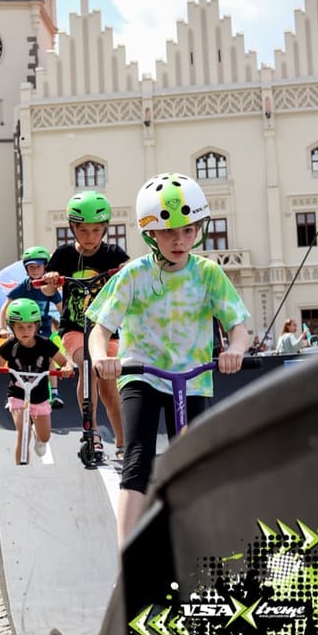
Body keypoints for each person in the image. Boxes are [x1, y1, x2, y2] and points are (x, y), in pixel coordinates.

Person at [87, 172, 250, 547]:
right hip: (141, 373)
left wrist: (235, 350)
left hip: (192, 378)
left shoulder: (209, 274)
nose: (180, 240)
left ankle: (200, 546)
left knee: (194, 460)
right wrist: (101, 358)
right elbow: (100, 330)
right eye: (169, 232)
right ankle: (128, 555)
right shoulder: (134, 275)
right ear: (151, 235)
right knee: (138, 457)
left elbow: (238, 327)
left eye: (189, 230)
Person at [44, 190, 128, 458]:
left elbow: (131, 276)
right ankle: (90, 431)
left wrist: (127, 270)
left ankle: (123, 442)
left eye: (95, 230)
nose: (89, 237)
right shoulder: (64, 255)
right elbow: (47, 290)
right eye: (83, 230)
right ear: (72, 228)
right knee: (88, 366)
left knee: (109, 387)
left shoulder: (113, 253)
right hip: (74, 329)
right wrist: (52, 280)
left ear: (104, 229)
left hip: (106, 330)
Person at [0, 298, 73, 464]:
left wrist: (66, 368)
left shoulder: (45, 344)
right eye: (19, 327)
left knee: (45, 436)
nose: (25, 331)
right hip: (18, 395)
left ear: (36, 326)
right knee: (22, 431)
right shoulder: (9, 346)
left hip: (40, 396)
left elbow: (64, 362)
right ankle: (22, 472)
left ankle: (39, 437)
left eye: (29, 326)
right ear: (12, 327)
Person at [0, 245, 65, 409]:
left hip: (42, 329)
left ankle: (54, 393)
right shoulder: (25, 285)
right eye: (31, 267)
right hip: (23, 328)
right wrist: (3, 328)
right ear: (26, 269)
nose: (35, 270)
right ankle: (15, 393)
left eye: (38, 266)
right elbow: (5, 306)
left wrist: (67, 325)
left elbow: (61, 307)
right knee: (14, 356)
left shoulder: (48, 288)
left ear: (45, 267)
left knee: (49, 356)